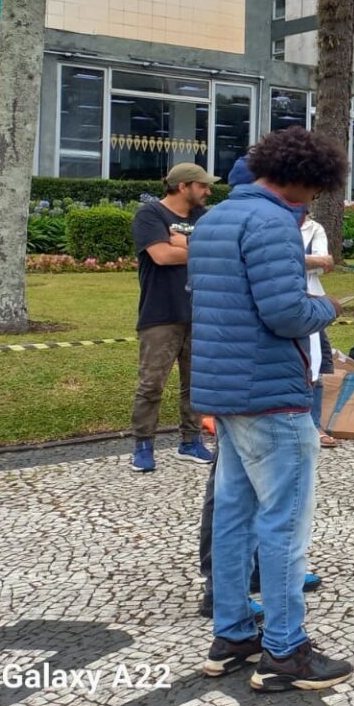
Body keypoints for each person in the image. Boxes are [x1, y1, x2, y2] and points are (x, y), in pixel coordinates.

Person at [190, 126, 351, 692]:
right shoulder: (274, 224)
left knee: (233, 515)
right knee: (284, 523)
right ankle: (286, 651)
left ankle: (232, 633)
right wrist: (326, 307)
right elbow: (285, 314)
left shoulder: (212, 221)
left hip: (223, 391)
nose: (311, 202)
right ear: (301, 181)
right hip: (270, 393)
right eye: (313, 191)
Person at [130, 161, 217, 473]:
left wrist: (182, 242)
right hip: (161, 312)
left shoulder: (202, 217)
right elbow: (162, 256)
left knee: (196, 382)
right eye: (203, 185)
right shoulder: (150, 215)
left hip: (200, 311)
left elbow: (219, 253)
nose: (208, 190)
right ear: (184, 186)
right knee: (152, 383)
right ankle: (143, 444)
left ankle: (190, 441)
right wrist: (197, 247)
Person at [300, 208, 337, 449]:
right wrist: (306, 259)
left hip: (312, 297)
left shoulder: (315, 229)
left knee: (315, 364)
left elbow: (324, 263)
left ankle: (315, 423)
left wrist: (291, 259)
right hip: (287, 298)